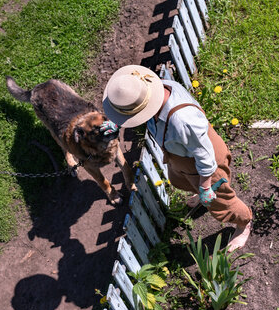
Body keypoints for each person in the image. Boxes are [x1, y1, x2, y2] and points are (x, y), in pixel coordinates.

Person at [100, 65, 252, 252]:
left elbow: (205, 156)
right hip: (181, 157)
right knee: (178, 180)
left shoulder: (183, 121)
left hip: (204, 162)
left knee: (220, 201)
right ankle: (199, 190)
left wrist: (205, 186)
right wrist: (118, 122)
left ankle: (244, 223)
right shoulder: (153, 90)